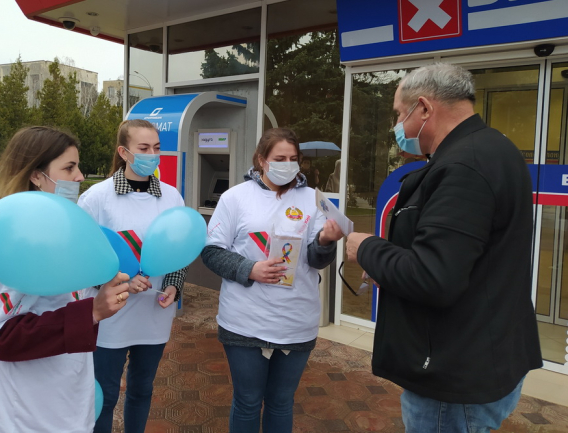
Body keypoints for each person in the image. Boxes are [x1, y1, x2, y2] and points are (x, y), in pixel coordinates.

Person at [345, 63, 543, 432]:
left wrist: (367, 248)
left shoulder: (464, 166)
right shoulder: (493, 148)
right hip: (480, 354)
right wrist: (392, 266)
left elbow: (433, 277)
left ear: (423, 108)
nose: (397, 126)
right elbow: (460, 258)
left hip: (454, 375)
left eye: (399, 114)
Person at [0, 126, 131, 432]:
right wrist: (93, 311)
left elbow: (69, 298)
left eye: (78, 166)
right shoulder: (11, 238)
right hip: (27, 407)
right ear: (36, 175)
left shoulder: (61, 229)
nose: (80, 176)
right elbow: (3, 337)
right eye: (69, 168)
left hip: (66, 389)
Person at [201, 127, 344, 433]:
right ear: (261, 160)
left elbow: (317, 260)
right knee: (247, 402)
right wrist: (249, 269)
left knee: (281, 403)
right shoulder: (235, 198)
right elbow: (211, 252)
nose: (288, 164)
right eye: (280, 158)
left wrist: (326, 241)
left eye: (293, 158)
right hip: (245, 322)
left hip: (296, 321)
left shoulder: (313, 200)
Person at [77, 119, 187, 433]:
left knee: (142, 389)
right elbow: (84, 257)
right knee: (105, 394)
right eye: (144, 148)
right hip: (110, 317)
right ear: (124, 152)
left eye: (156, 148)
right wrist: (120, 281)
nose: (152, 155)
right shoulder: (97, 198)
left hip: (154, 314)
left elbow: (178, 249)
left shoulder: (171, 198)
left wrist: (174, 285)